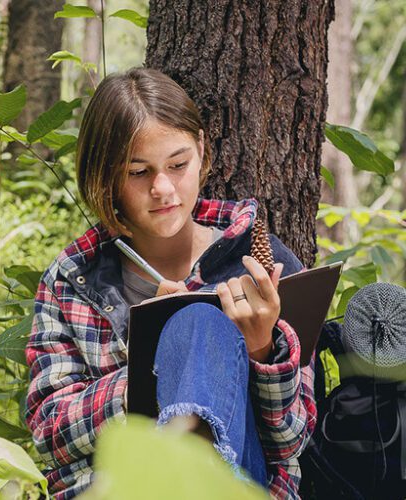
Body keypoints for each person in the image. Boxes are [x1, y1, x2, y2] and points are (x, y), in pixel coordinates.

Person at [24, 67, 317, 499]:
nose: (163, 188)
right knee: (189, 326)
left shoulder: (261, 264)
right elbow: (51, 432)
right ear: (107, 177)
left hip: (239, 486)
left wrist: (260, 349)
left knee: (198, 323)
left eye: (178, 165)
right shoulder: (73, 279)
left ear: (202, 152)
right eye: (138, 172)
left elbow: (292, 440)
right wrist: (152, 366)